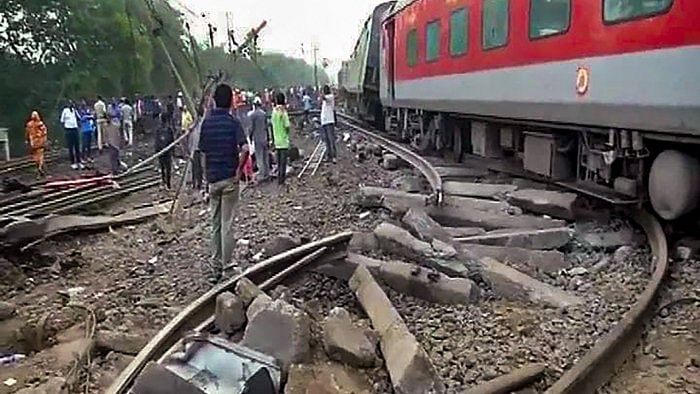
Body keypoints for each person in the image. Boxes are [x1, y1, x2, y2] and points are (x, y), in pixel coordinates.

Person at [199, 83, 248, 275]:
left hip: (213, 180)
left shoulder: (207, 123)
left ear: (214, 101)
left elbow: (202, 154)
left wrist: (206, 177)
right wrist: (238, 172)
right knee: (227, 224)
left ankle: (216, 266)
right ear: (229, 101)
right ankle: (227, 266)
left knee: (215, 224)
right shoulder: (233, 122)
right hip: (229, 180)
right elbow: (245, 149)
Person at [247, 97, 270, 181]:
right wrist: (269, 138)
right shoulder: (263, 114)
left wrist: (249, 136)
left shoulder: (253, 115)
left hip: (257, 138)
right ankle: (267, 173)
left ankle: (262, 174)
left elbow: (251, 127)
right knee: (265, 156)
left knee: (259, 156)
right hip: (264, 138)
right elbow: (267, 127)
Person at [271, 92, 291, 186]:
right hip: (283, 141)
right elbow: (287, 126)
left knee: (278, 162)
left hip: (276, 140)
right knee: (283, 162)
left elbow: (272, 125)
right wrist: (287, 133)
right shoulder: (283, 112)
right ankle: (282, 181)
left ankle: (279, 179)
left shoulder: (274, 112)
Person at [60, 101, 82, 170]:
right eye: (70, 104)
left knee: (77, 146)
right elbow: (62, 121)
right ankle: (73, 163)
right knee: (71, 147)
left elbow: (79, 118)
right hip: (69, 130)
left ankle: (79, 161)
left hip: (75, 129)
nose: (71, 105)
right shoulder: (65, 111)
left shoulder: (74, 111)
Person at [25, 111, 48, 177]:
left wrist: (27, 140)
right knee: (40, 155)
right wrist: (45, 139)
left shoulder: (29, 124)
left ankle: (39, 167)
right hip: (40, 141)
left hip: (33, 142)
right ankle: (40, 168)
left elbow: (27, 133)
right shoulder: (40, 124)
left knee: (35, 156)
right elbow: (44, 132)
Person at [155, 113, 174, 189]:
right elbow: (172, 140)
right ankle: (168, 183)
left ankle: (164, 181)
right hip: (167, 151)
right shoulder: (169, 129)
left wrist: (157, 151)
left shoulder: (159, 129)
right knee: (168, 168)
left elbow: (157, 141)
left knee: (163, 167)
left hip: (161, 151)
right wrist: (173, 151)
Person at [320, 85, 337, 163]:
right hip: (324, 121)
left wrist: (320, 92)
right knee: (326, 140)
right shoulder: (325, 99)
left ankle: (334, 156)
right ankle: (328, 155)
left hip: (329, 121)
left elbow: (323, 97)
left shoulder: (330, 97)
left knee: (331, 139)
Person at [105, 104, 122, 174]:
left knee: (114, 157)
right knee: (113, 158)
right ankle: (115, 170)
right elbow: (106, 136)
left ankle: (116, 170)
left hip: (115, 144)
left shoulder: (114, 126)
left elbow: (118, 134)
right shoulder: (108, 126)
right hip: (111, 143)